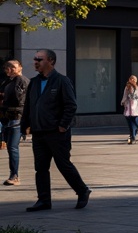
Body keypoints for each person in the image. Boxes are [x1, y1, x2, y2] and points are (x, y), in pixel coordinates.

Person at [21, 49, 90, 211]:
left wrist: (62, 125)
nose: (35, 62)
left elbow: (71, 105)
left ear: (50, 61)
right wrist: (25, 125)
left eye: (39, 59)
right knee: (41, 167)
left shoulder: (61, 81)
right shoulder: (34, 82)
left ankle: (82, 190)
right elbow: (28, 106)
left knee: (63, 164)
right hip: (39, 132)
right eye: (35, 59)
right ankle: (44, 200)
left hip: (56, 133)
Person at [2, 59, 28, 186]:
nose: (10, 69)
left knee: (12, 147)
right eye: (8, 67)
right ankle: (13, 174)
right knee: (9, 147)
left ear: (20, 68)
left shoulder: (21, 81)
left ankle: (14, 175)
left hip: (17, 118)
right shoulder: (7, 82)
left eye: (13, 67)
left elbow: (20, 101)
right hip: (7, 118)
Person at [120, 75, 138, 145]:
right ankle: (135, 134)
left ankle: (133, 137)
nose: (132, 80)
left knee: (134, 124)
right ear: (129, 80)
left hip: (135, 109)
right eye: (131, 79)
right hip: (128, 110)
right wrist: (123, 102)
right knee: (131, 125)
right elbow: (124, 97)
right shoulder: (127, 88)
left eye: (134, 79)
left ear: (136, 81)